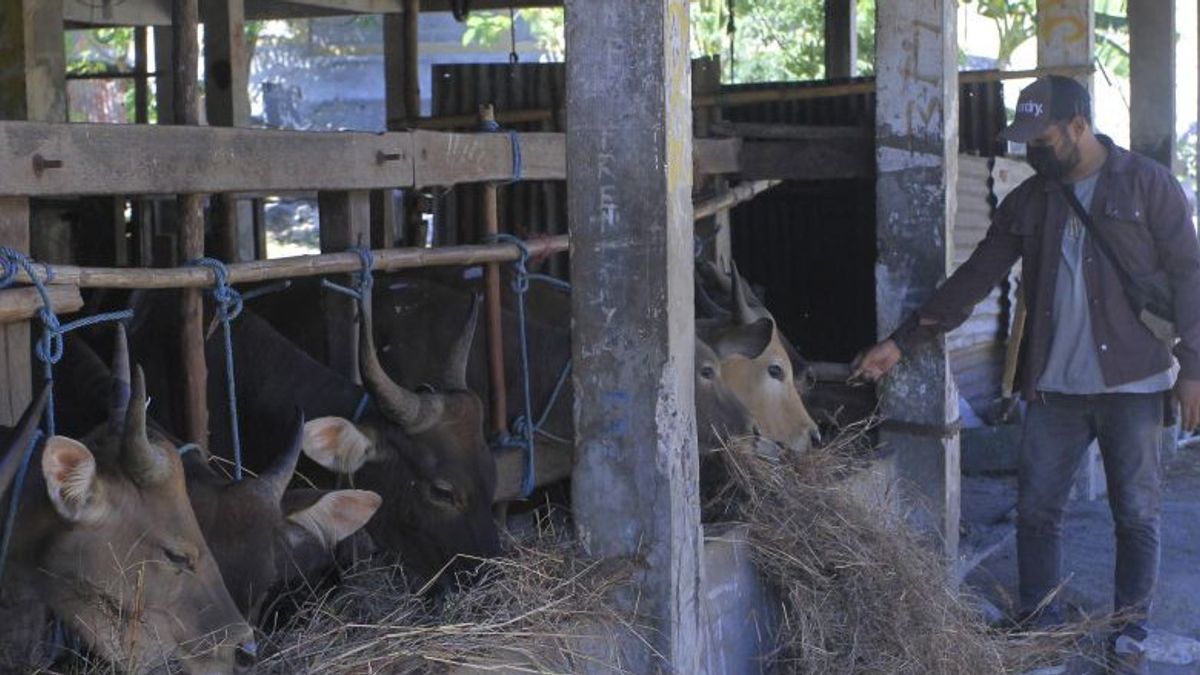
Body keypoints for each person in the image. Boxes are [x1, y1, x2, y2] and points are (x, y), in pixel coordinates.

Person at [851, 75, 1200, 675]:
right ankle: (1042, 625)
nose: (1030, 152)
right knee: (1037, 511)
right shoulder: (1031, 199)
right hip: (1054, 388)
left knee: (1136, 514)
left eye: (1041, 139)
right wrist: (900, 342)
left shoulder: (1148, 184)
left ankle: (1128, 631)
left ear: (1078, 128)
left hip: (1136, 384)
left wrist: (1193, 370)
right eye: (1025, 140)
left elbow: (1192, 275)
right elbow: (976, 276)